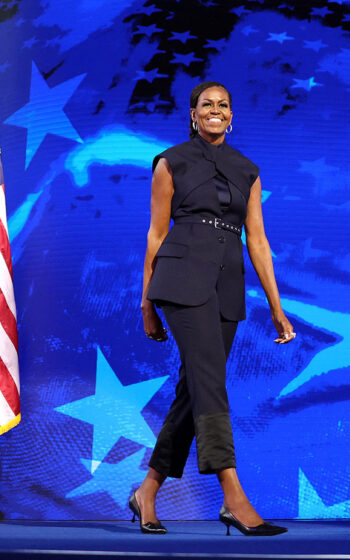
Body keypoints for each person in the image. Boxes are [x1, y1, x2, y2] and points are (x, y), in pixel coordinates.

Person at [129, 81, 295, 536]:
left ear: (231, 116)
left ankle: (148, 489)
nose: (216, 110)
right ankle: (233, 497)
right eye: (208, 104)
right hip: (179, 280)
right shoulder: (171, 162)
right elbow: (155, 236)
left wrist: (277, 309)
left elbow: (257, 241)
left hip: (226, 288)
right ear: (193, 113)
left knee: (195, 388)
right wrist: (146, 301)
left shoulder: (248, 170)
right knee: (210, 381)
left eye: (224, 104)